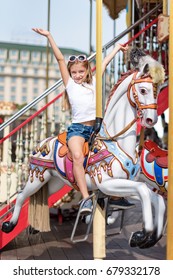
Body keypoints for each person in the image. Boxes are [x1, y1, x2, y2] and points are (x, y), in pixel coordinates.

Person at [32, 28, 129, 213]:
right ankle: (85, 199)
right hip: (77, 130)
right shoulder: (70, 85)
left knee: (114, 154)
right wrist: (49, 36)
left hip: (96, 129)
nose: (77, 75)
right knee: (77, 156)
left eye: (80, 72)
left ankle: (117, 195)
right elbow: (60, 59)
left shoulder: (92, 84)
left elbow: (104, 63)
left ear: (86, 72)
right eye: (74, 72)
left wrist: (116, 48)